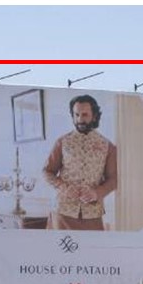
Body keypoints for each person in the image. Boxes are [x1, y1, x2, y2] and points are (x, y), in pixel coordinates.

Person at [42, 94, 118, 230]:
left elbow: (114, 179)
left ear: (94, 116)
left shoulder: (108, 146)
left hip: (93, 214)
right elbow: (47, 172)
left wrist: (97, 192)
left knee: (93, 251)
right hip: (62, 213)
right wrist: (64, 187)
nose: (79, 119)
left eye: (84, 115)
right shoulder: (62, 142)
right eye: (76, 115)